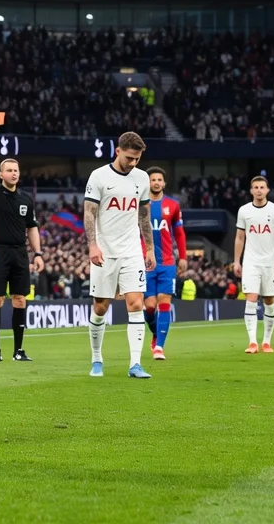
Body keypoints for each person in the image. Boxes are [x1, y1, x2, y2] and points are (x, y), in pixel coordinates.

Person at [83, 131, 154, 379]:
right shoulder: (99, 176)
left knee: (136, 304)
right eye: (129, 158)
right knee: (101, 306)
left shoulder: (142, 178)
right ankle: (96, 359)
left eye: (137, 159)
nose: (133, 163)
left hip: (132, 250)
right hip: (106, 250)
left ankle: (135, 364)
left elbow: (144, 215)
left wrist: (150, 249)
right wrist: (93, 245)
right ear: (118, 151)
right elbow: (90, 212)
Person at [0, 121, 43, 362]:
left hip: (20, 253)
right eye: (9, 170)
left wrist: (38, 254)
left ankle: (18, 350)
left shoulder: (26, 199)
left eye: (16, 170)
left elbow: (32, 228)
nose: (14, 173)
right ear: (1, 174)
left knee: (19, 300)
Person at [232, 176, 274, 354]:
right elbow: (240, 238)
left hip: (270, 263)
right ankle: (252, 342)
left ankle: (266, 341)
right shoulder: (244, 211)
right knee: (251, 299)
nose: (258, 190)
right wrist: (236, 261)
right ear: (251, 190)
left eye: (262, 187)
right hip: (251, 262)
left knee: (270, 300)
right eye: (255, 187)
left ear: (267, 190)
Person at [144, 167, 186, 360]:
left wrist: (183, 256)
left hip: (168, 262)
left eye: (160, 179)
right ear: (148, 182)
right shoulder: (139, 204)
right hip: (145, 263)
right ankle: (155, 333)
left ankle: (159, 347)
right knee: (149, 306)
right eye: (153, 179)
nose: (156, 182)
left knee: (164, 303)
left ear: (164, 183)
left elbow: (178, 232)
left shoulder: (173, 205)